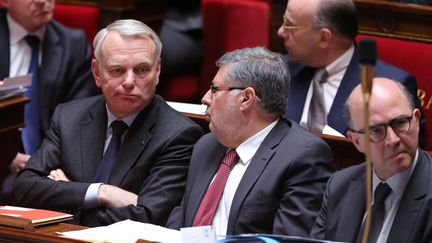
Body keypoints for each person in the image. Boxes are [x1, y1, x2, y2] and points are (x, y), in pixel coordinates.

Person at [12, 19, 204, 227]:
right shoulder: (68, 117)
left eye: (141, 70)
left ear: (157, 71)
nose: (129, 82)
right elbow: (24, 188)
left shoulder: (179, 135)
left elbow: (146, 218)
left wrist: (67, 196)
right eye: (117, 70)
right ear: (97, 73)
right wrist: (101, 192)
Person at [166, 47, 335, 237]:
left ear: (246, 98)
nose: (205, 98)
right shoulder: (206, 146)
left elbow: (288, 240)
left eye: (214, 90)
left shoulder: (302, 156)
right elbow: (181, 218)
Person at [277, 0, 425, 145]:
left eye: (290, 25)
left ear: (323, 38)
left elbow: (402, 159)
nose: (280, 32)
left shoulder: (392, 88)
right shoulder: (280, 70)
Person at [0, 0, 99, 204]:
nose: (42, 1)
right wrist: (6, 156)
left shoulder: (73, 44)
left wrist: (44, 164)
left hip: (50, 167)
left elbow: (78, 118)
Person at [310, 77, 432, 242]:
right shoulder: (339, 186)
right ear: (356, 141)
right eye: (376, 131)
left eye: (401, 123)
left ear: (416, 121)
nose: (393, 140)